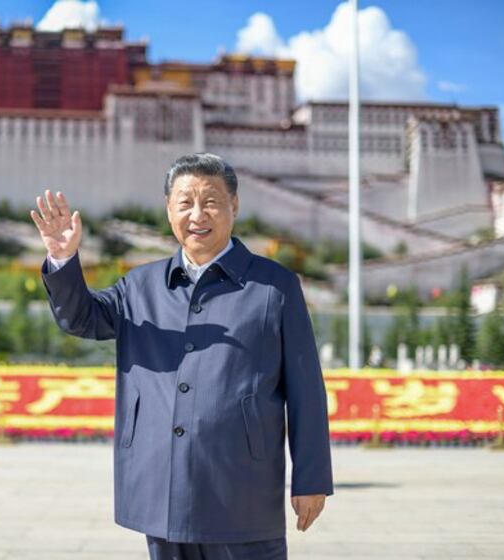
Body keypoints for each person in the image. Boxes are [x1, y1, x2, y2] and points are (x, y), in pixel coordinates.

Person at [30, 153, 333, 560]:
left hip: (241, 487)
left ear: (234, 206)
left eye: (210, 201)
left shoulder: (274, 287)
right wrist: (63, 259)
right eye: (184, 202)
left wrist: (310, 478)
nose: (197, 215)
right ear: (168, 210)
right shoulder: (140, 286)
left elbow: (305, 389)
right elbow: (83, 319)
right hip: (161, 485)